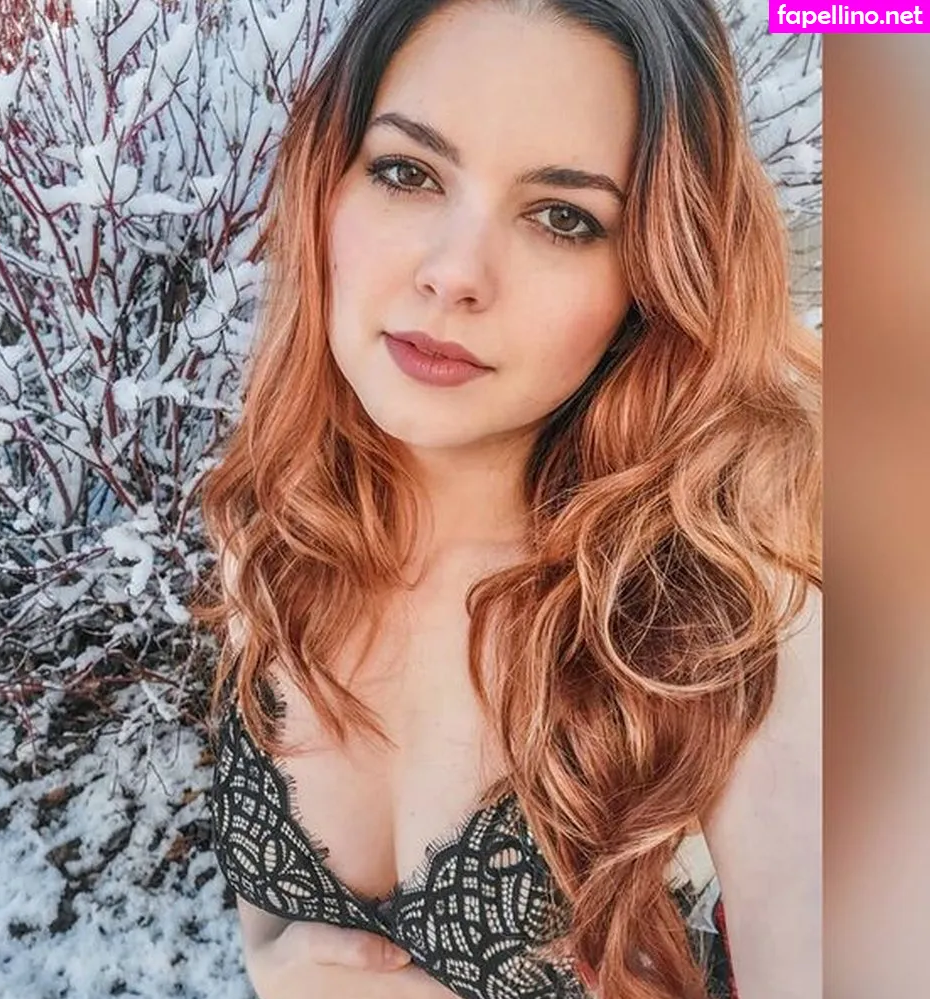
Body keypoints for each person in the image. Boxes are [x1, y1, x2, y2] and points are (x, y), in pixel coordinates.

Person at [194, 0, 822, 997]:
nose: (454, 274)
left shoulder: (734, 625)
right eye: (407, 171)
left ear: (652, 273)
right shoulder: (274, 527)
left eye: (564, 217)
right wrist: (279, 966)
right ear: (327, 181)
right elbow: (273, 921)